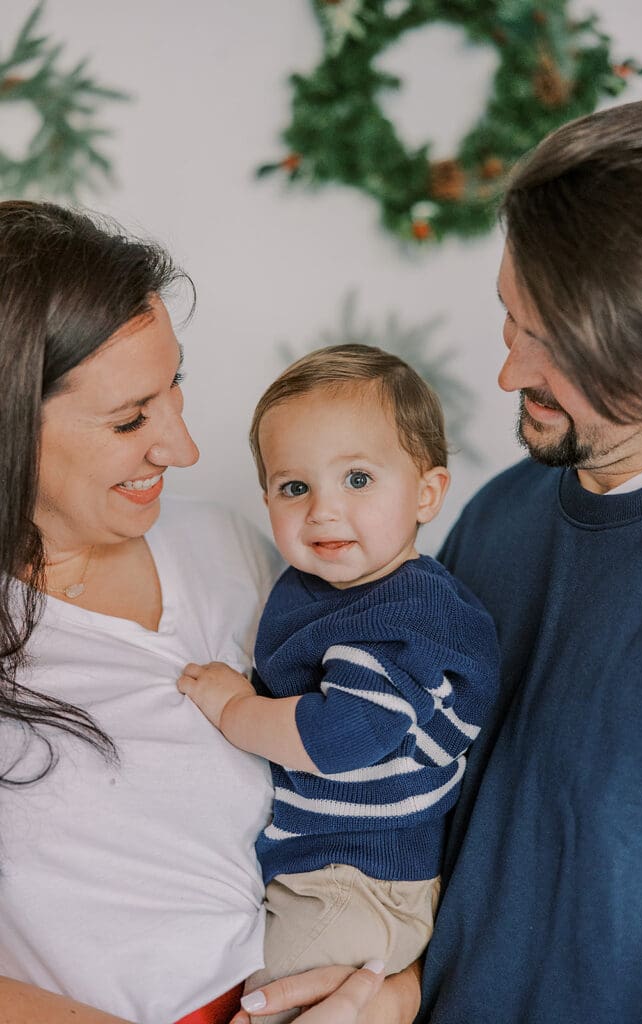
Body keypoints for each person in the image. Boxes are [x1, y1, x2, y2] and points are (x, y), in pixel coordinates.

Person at [233, 94, 642, 1024]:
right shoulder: (502, 515)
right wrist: (399, 993)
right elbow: (462, 828)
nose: (508, 373)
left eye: (557, 349)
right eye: (512, 318)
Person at [0, 201, 410, 1024]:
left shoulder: (229, 547)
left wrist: (389, 997)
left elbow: (388, 793)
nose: (182, 449)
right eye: (129, 420)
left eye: (174, 388)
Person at [177, 346, 500, 1023]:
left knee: (281, 1001)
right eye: (295, 488)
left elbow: (339, 736)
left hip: (359, 887)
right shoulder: (323, 586)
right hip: (322, 871)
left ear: (426, 493)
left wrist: (235, 708)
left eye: (357, 479)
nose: (323, 510)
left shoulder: (407, 613)